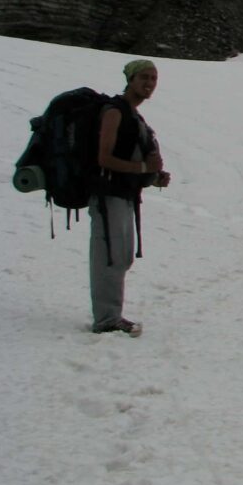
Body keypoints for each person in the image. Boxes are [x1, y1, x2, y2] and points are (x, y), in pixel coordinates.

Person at [92, 59, 171, 336]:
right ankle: (105, 319)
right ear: (130, 79)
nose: (149, 83)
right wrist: (142, 169)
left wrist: (152, 176)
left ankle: (111, 315)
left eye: (153, 78)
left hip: (124, 195)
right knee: (110, 256)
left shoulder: (134, 116)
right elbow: (103, 158)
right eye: (144, 77)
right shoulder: (115, 112)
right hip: (108, 194)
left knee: (121, 256)